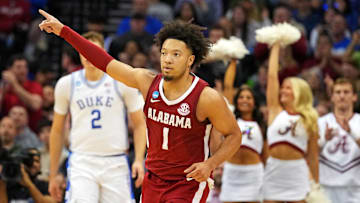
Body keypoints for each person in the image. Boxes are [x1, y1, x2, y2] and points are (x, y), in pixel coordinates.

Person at [38, 9, 242, 203]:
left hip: (188, 182)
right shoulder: (146, 81)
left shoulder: (206, 97)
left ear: (190, 60)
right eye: (164, 53)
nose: (167, 60)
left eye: (176, 54)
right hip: (154, 179)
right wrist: (63, 31)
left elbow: (234, 135)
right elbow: (104, 61)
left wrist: (210, 164)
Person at [47, 31, 147, 203]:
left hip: (115, 162)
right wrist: (53, 173)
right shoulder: (66, 84)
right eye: (84, 50)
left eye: (93, 50)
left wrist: (139, 159)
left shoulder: (122, 81)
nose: (88, 55)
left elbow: (139, 124)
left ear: (103, 53)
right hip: (82, 161)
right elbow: (56, 131)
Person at [263, 42, 319, 203]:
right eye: (283, 87)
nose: (283, 90)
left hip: (297, 172)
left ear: (299, 92)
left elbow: (313, 156)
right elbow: (272, 77)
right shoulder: (275, 111)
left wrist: (315, 184)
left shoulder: (310, 117)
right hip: (274, 171)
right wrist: (275, 45)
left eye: (288, 88)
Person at [219, 85, 268, 203]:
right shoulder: (231, 119)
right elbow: (228, 86)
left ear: (255, 102)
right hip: (232, 173)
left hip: (254, 174)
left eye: (248, 97)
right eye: (241, 97)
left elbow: (266, 155)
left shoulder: (261, 125)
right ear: (236, 101)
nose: (244, 100)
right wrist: (233, 65)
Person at [318, 78, 360, 203]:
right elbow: (310, 154)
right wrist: (325, 140)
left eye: (346, 92)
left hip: (355, 189)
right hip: (326, 187)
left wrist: (351, 133)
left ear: (354, 97)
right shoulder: (320, 122)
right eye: (338, 92)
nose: (342, 96)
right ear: (332, 97)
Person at [1, 54, 43, 131]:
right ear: (9, 70)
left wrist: (14, 84)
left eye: (25, 67)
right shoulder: (4, 88)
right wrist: (3, 90)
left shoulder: (35, 85)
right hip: (7, 133)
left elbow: (35, 105)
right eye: (18, 67)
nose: (23, 70)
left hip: (31, 135)